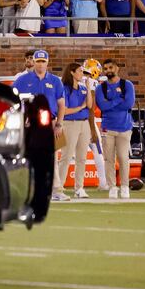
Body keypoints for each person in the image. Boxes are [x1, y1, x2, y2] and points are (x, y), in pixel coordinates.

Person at [11, 49, 67, 195]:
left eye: (43, 61)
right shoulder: (22, 80)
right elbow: (12, 99)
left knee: (52, 157)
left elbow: (61, 105)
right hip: (30, 122)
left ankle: (55, 188)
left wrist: (59, 124)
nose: (41, 64)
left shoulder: (55, 81)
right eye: (38, 61)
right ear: (33, 62)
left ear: (47, 62)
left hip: (51, 122)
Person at [56, 60, 98, 200]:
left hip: (83, 124)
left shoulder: (83, 88)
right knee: (66, 157)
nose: (82, 73)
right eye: (80, 71)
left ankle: (79, 188)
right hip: (69, 124)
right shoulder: (64, 88)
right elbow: (64, 110)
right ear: (72, 72)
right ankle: (58, 188)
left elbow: (90, 105)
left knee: (82, 158)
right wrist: (80, 107)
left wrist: (88, 88)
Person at [95, 58, 135, 200]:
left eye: (111, 68)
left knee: (124, 158)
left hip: (124, 127)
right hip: (107, 128)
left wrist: (111, 102)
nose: (108, 71)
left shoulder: (127, 85)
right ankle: (112, 187)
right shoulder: (101, 88)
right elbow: (102, 106)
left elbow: (129, 104)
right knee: (108, 159)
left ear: (117, 68)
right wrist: (119, 99)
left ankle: (124, 186)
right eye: (105, 69)